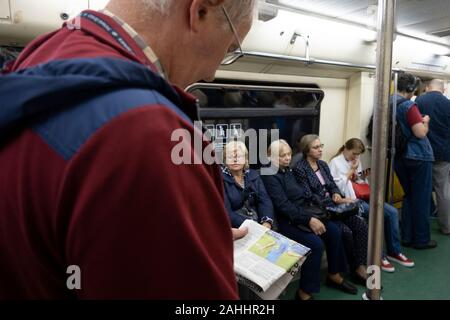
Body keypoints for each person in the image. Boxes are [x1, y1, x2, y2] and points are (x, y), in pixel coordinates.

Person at [0, 0, 256, 299]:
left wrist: (183, 230)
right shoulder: (151, 134)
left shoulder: (39, 59)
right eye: (227, 50)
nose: (212, 74)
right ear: (199, 11)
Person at [261, 140, 356, 299]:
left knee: (334, 231)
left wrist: (318, 204)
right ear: (270, 156)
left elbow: (301, 194)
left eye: (289, 154)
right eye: (281, 155)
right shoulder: (269, 175)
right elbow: (283, 206)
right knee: (315, 245)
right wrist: (309, 219)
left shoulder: (287, 170)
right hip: (287, 220)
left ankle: (334, 274)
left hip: (303, 212)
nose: (287, 158)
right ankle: (304, 292)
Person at [293, 134, 369, 286]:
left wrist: (335, 194)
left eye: (321, 146)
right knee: (345, 232)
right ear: (307, 150)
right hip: (322, 209)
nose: (320, 150)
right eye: (316, 147)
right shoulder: (300, 169)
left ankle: (360, 265)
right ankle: (351, 269)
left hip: (335, 205)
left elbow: (332, 184)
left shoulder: (323, 165)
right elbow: (308, 195)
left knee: (360, 225)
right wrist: (330, 200)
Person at [329, 138, 414, 272]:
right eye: (354, 153)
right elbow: (336, 187)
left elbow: (357, 181)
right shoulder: (335, 162)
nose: (356, 157)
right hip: (350, 201)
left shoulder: (355, 161)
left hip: (362, 196)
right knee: (376, 215)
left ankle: (394, 251)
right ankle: (378, 256)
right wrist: (351, 171)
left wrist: (361, 175)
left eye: (358, 155)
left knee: (391, 212)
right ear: (346, 148)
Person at [393, 73, 437, 249]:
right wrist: (425, 121)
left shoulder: (388, 102)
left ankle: (407, 235)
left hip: (400, 156)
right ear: (410, 89)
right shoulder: (409, 106)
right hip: (418, 156)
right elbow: (420, 133)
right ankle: (421, 239)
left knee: (409, 196)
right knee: (422, 198)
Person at [416, 79, 450, 236]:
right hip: (443, 154)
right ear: (442, 90)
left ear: (428, 88)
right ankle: (446, 227)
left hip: (421, 152)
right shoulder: (447, 103)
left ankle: (421, 226)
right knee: (443, 192)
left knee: (421, 190)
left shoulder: (419, 100)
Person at [222, 141, 274, 229]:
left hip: (259, 223)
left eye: (239, 156)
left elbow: (264, 201)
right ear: (225, 160)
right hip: (236, 227)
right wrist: (252, 227)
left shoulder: (253, 175)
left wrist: (266, 222)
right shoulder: (220, 179)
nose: (235, 160)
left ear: (245, 159)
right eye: (230, 157)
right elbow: (226, 212)